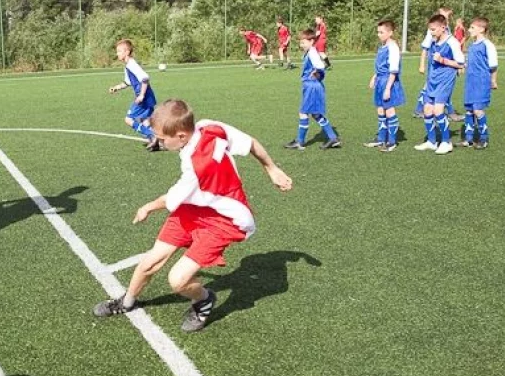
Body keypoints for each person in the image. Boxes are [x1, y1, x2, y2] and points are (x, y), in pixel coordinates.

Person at [91, 99, 293, 332]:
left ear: (181, 136)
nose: (158, 141)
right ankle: (127, 302)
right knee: (150, 261)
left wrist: (147, 206)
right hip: (195, 205)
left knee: (178, 280)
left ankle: (204, 299)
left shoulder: (197, 168)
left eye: (162, 139)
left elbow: (169, 199)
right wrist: (272, 168)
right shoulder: (209, 126)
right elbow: (251, 143)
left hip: (224, 219)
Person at [414, 14, 465, 155]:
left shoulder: (452, 42)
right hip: (432, 80)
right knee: (427, 110)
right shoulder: (433, 40)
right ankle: (431, 141)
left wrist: (443, 60)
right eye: (430, 30)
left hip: (445, 81)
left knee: (438, 110)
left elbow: (461, 63)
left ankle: (446, 142)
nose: (431, 32)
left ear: (443, 28)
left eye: (433, 29)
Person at [284, 28, 341, 150]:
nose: (301, 44)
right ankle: (333, 138)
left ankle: (300, 141)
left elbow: (320, 65)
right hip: (312, 86)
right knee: (315, 114)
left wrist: (317, 71)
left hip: (312, 86)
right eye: (301, 42)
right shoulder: (310, 52)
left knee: (303, 113)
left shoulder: (312, 52)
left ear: (311, 41)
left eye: (303, 42)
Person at [109, 39, 160, 151]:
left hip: (144, 97)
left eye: (119, 51)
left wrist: (141, 95)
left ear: (126, 52)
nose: (117, 54)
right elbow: (127, 82)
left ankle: (152, 135)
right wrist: (116, 87)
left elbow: (145, 78)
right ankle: (154, 141)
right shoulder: (128, 65)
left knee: (128, 119)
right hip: (147, 96)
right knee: (144, 120)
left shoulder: (132, 64)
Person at [363, 20, 405, 152]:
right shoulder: (382, 46)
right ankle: (381, 138)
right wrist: (374, 77)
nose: (379, 35)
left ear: (390, 33)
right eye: (378, 32)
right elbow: (381, 65)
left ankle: (391, 142)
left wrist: (388, 88)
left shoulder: (393, 47)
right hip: (380, 80)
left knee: (389, 110)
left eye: (381, 32)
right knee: (380, 109)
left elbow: (393, 69)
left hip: (388, 81)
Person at [415, 7, 462, 121]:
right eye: (444, 14)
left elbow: (455, 54)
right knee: (429, 88)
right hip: (435, 68)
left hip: (446, 69)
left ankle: (448, 112)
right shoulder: (433, 31)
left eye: (448, 14)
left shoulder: (446, 30)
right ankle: (419, 109)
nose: (447, 16)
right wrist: (422, 64)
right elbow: (425, 48)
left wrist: (457, 65)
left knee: (442, 91)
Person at [457, 17, 498, 149]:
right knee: (469, 110)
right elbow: (470, 62)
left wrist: (493, 80)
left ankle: (484, 138)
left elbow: (493, 65)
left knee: (478, 110)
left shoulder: (488, 45)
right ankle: (468, 139)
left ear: (481, 29)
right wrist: (463, 67)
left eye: (472, 28)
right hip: (471, 82)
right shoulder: (471, 45)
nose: (469, 30)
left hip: (481, 81)